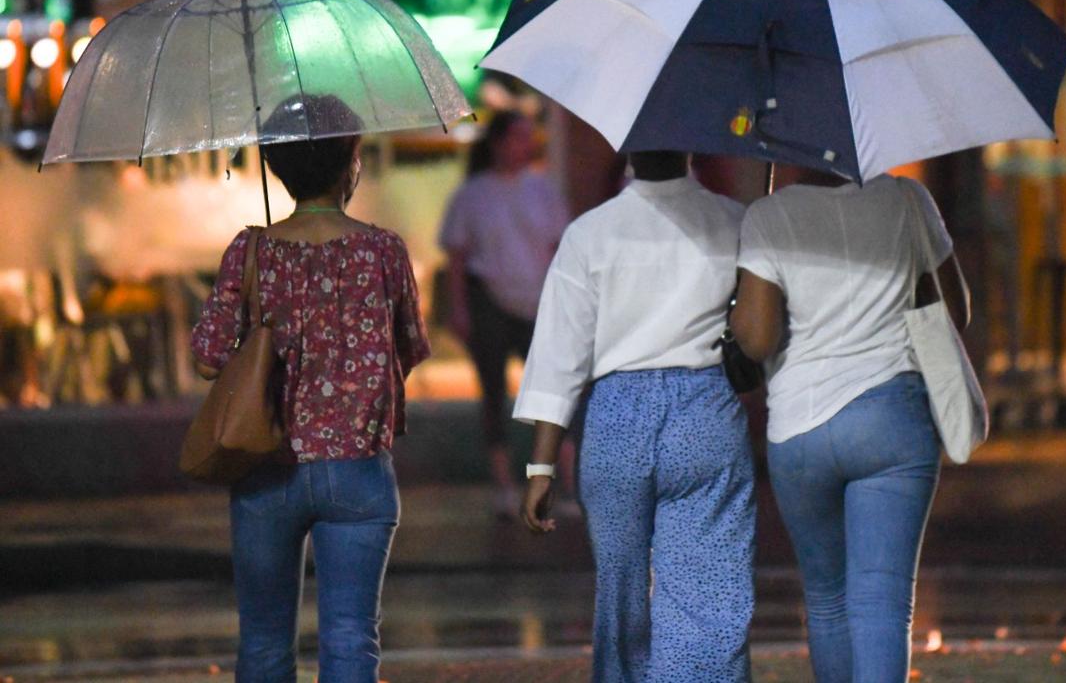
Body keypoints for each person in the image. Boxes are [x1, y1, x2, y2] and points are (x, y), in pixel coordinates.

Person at [191, 94, 430, 683]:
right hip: (357, 468)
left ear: (277, 168)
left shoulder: (251, 250)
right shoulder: (383, 250)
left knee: (266, 641)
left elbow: (207, 358)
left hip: (265, 467)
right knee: (351, 638)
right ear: (352, 162)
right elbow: (409, 350)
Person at [518, 151, 756, 683]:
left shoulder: (590, 234)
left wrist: (541, 469)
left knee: (620, 592)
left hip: (617, 419)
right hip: (704, 412)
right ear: (691, 146)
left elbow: (561, 356)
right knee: (708, 591)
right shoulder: (735, 221)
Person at [731, 168, 969, 683]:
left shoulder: (769, 215)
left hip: (800, 427)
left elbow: (758, 339)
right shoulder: (908, 199)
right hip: (891, 420)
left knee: (828, 601)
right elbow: (956, 311)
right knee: (882, 603)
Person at [439, 111, 571, 517]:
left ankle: (561, 485)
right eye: (516, 137)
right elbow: (458, 258)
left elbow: (557, 250)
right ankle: (504, 485)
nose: (523, 145)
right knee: (494, 392)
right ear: (497, 143)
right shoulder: (474, 194)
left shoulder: (543, 190)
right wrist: (459, 309)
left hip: (537, 302)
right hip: (490, 301)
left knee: (553, 396)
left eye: (527, 138)